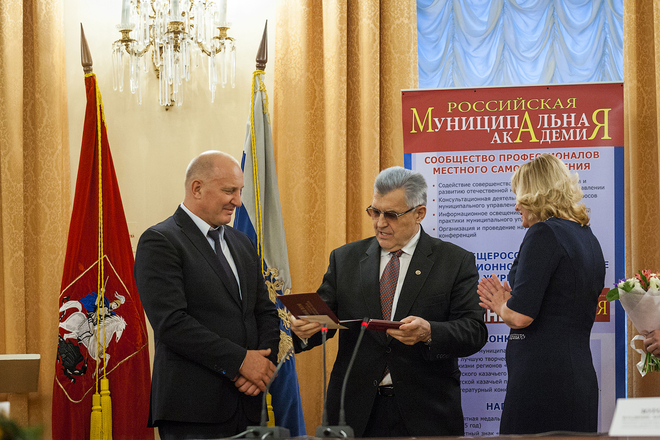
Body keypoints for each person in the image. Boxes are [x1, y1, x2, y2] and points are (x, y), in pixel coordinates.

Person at [291, 166, 488, 438]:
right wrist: (303, 329)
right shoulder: (345, 259)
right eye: (375, 212)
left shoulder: (454, 262)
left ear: (419, 213)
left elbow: (474, 331)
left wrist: (429, 332)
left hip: (426, 413)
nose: (380, 223)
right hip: (355, 414)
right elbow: (322, 322)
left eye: (391, 215)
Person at [134, 151, 280, 440]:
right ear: (197, 188)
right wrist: (241, 362)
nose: (238, 201)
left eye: (240, 191)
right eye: (229, 191)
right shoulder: (160, 241)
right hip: (193, 410)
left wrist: (262, 367)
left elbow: (265, 312)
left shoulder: (242, 243)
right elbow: (172, 323)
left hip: (250, 405)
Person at [477, 153, 606, 435]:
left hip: (541, 382)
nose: (516, 205)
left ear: (535, 194)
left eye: (520, 195)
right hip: (578, 377)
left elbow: (520, 317)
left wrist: (500, 304)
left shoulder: (543, 233)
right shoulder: (587, 236)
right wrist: (514, 300)